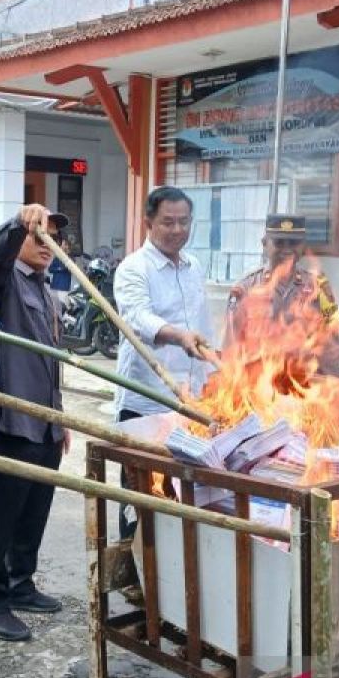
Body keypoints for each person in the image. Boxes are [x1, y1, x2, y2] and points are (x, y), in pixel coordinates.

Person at [0, 203, 70, 643]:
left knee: (34, 512)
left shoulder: (47, 292)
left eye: (54, 237)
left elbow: (52, 365)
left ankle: (21, 583)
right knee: (2, 518)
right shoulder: (4, 283)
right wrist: (16, 225)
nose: (49, 244)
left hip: (46, 423)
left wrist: (60, 417)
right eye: (39, 236)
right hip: (12, 421)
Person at [113, 186, 214, 539]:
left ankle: (168, 573)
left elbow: (202, 325)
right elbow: (137, 318)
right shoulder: (133, 268)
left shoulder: (194, 266)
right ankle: (130, 569)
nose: (177, 230)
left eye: (184, 222)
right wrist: (179, 336)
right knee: (138, 490)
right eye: (168, 222)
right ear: (148, 223)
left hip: (189, 403)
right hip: (146, 400)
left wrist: (211, 375)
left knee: (181, 490)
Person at [224, 214, 339, 375]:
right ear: (265, 244)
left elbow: (331, 345)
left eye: (293, 243)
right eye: (279, 242)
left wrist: (328, 383)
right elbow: (231, 347)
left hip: (304, 386)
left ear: (303, 246)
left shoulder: (318, 288)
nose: (287, 249)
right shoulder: (245, 288)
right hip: (257, 386)